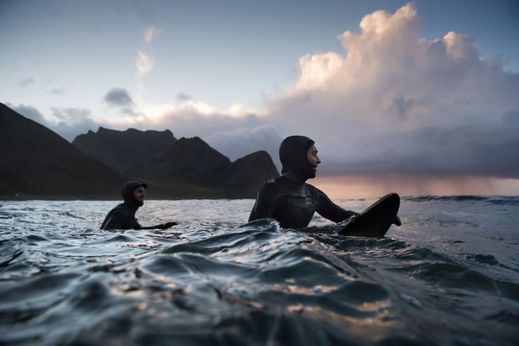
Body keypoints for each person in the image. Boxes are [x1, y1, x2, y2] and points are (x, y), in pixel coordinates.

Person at [249, 135, 401, 229]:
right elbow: (255, 233)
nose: (318, 160)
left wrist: (378, 217)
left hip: (298, 251)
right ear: (297, 157)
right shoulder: (272, 191)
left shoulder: (313, 194)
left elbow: (343, 217)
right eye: (313, 154)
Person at [100, 181, 177, 230]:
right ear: (129, 194)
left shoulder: (128, 212)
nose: (144, 195)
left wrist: (163, 227)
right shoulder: (121, 212)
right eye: (140, 192)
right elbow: (106, 234)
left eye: (144, 192)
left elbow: (138, 230)